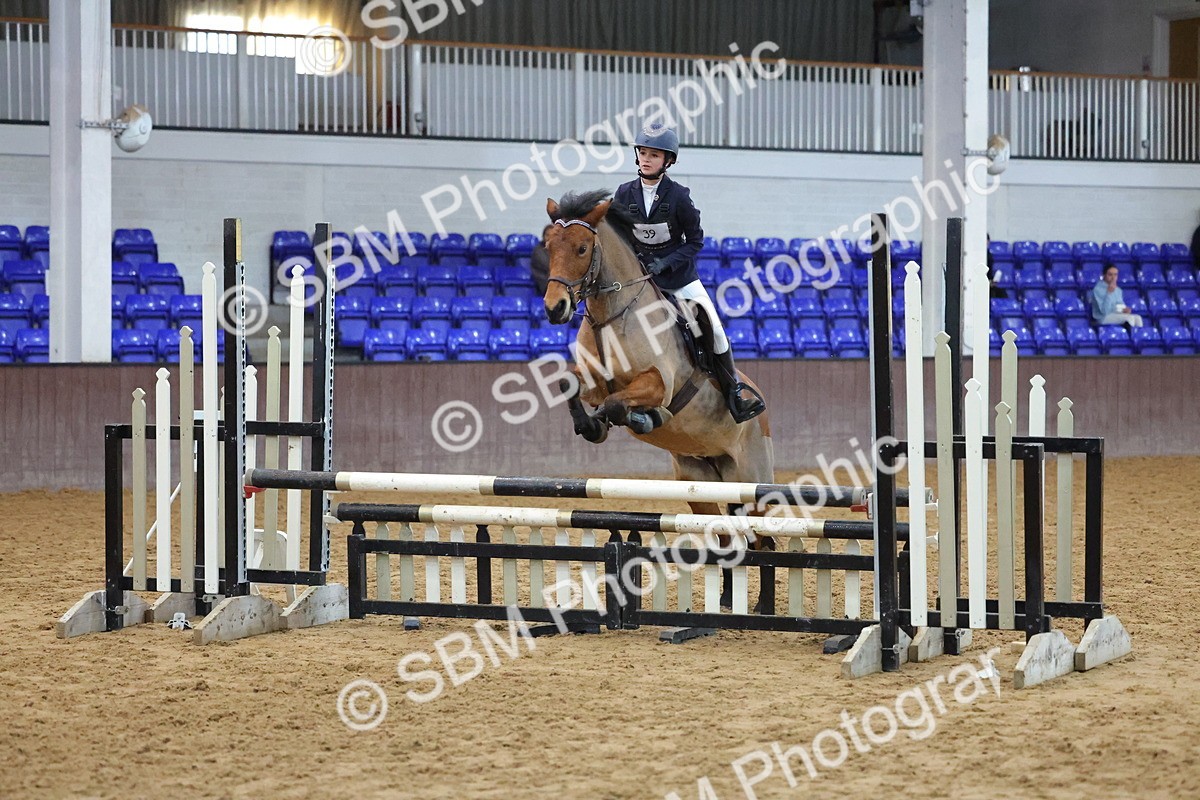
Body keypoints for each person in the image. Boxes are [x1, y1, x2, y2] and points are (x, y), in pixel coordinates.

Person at [613, 122, 764, 423]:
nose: (646, 158)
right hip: (641, 280)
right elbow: (618, 235)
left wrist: (666, 262)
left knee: (716, 330)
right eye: (643, 152)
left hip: (679, 278)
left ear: (668, 161)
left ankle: (734, 394)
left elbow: (695, 241)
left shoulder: (678, 196)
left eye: (654, 155)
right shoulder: (624, 193)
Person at [529, 223, 553, 296]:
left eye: (552, 235)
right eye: (547, 235)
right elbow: (547, 265)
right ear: (543, 236)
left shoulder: (560, 250)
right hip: (543, 280)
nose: (549, 238)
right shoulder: (538, 250)